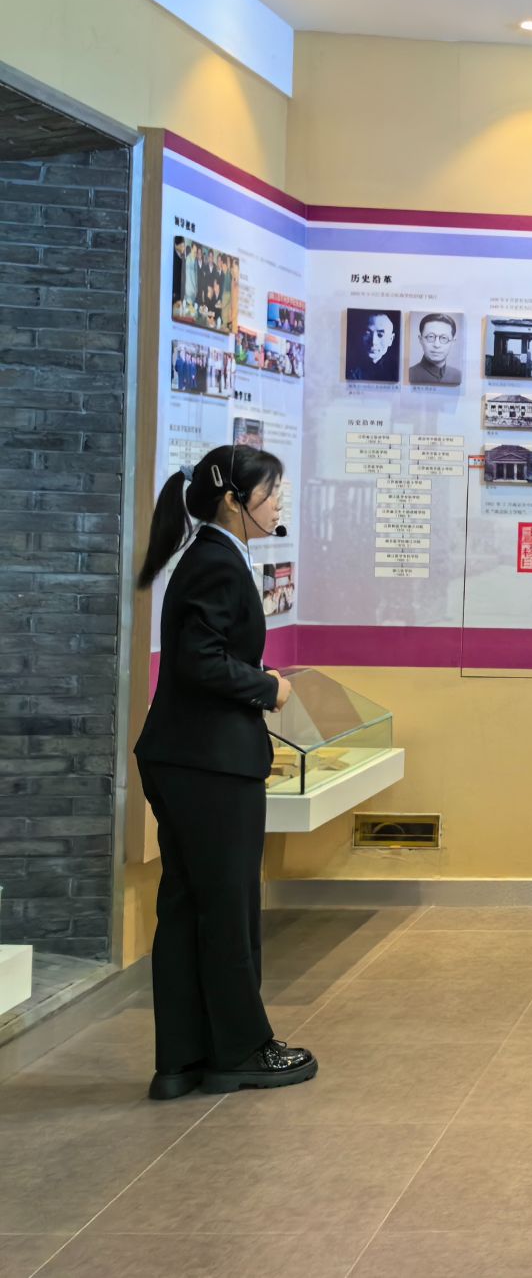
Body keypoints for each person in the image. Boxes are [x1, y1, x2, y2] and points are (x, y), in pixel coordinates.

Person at [132, 444, 319, 1100]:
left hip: (186, 759)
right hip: (210, 763)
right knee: (229, 907)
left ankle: (182, 1059)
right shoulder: (215, 560)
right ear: (234, 501)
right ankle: (241, 1049)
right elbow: (198, 660)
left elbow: (200, 654)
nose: (277, 503)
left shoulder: (210, 556)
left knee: (190, 906)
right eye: (269, 492)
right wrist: (267, 687)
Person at [346, 310, 400, 382]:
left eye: (380, 335)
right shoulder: (350, 370)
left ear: (391, 339)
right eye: (367, 333)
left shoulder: (396, 370)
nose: (373, 342)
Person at [408, 312, 462, 385]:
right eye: (430, 337)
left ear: (453, 342)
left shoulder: (457, 375)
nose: (436, 345)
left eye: (444, 338)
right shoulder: (410, 374)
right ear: (420, 340)